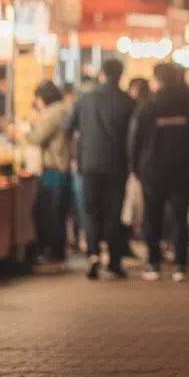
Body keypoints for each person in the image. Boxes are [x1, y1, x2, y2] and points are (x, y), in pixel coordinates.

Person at [130, 62, 189, 282]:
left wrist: (134, 166)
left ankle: (154, 264)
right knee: (180, 217)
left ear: (157, 79)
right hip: (182, 169)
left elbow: (135, 138)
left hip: (152, 170)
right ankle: (180, 265)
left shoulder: (148, 104)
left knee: (152, 217)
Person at [64, 58, 137, 279]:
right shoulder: (128, 102)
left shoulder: (85, 98)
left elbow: (67, 127)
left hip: (89, 164)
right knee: (114, 211)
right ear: (121, 76)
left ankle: (93, 254)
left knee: (90, 210)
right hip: (117, 165)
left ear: (102, 74)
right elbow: (134, 136)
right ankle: (114, 261)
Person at [28, 80, 74, 263]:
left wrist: (25, 129)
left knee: (47, 211)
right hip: (63, 167)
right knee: (58, 212)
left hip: (54, 168)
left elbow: (36, 137)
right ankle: (57, 250)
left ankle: (51, 250)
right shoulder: (64, 109)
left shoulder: (53, 113)